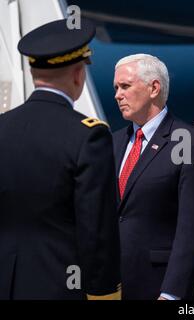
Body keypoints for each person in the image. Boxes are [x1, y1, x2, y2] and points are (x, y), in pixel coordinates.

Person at [0, 19, 121, 299]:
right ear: (78, 74)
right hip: (58, 287)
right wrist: (105, 293)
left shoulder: (2, 127)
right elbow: (97, 229)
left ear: (33, 73)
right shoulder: (89, 136)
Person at [112, 54, 194, 300]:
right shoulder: (112, 142)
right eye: (116, 88)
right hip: (114, 288)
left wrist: (171, 294)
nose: (118, 94)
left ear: (154, 88)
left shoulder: (193, 144)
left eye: (125, 86)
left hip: (163, 289)